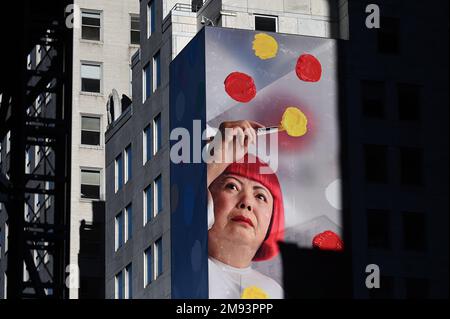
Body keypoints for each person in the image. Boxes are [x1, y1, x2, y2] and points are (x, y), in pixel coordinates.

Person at [206, 120, 285, 299]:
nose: (247, 202)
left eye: (260, 196)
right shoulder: (184, 262)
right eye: (232, 186)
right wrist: (215, 164)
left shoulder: (274, 291)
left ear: (273, 219)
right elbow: (185, 220)